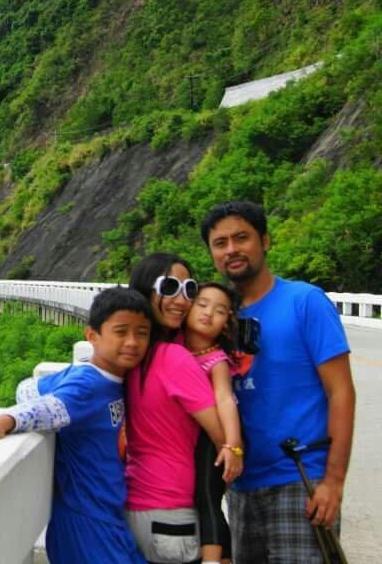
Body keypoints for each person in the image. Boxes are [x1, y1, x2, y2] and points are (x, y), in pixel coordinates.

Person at [200, 200, 355, 562]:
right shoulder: (216, 319)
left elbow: (341, 392)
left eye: (242, 238)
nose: (232, 250)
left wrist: (333, 482)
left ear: (265, 241)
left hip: (300, 481)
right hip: (240, 487)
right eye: (220, 243)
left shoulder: (304, 302)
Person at [0, 287, 153, 564]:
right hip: (85, 519)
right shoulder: (88, 383)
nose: (132, 342)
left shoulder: (104, 377)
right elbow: (51, 407)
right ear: (92, 336)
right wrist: (8, 420)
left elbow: (28, 388)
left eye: (142, 333)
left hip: (106, 515)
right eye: (121, 332)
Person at [125, 253, 228, 564]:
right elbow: (220, 434)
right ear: (146, 291)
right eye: (169, 287)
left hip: (136, 505)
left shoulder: (132, 356)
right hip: (172, 515)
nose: (181, 300)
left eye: (189, 289)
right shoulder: (175, 359)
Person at [183, 282, 245, 564]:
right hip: (185, 436)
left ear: (225, 323)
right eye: (202, 304)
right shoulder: (172, 347)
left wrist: (232, 446)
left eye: (219, 311)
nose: (208, 313)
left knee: (207, 496)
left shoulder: (215, 360)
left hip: (213, 438)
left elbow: (226, 400)